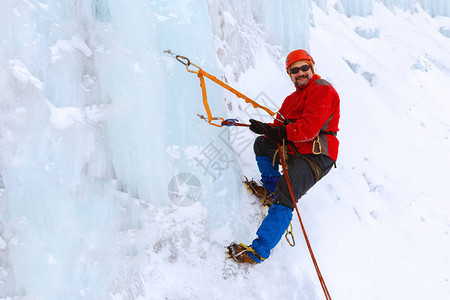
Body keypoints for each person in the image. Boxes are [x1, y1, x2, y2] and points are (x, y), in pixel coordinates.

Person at [228, 49, 340, 264]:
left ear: (312, 68)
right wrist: (265, 129)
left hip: (316, 156)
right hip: (297, 149)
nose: (300, 73)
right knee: (263, 144)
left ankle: (258, 251)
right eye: (294, 70)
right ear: (289, 74)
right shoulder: (292, 99)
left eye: (304, 68)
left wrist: (278, 132)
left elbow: (308, 129)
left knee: (286, 195)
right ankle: (270, 191)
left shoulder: (322, 89)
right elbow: (279, 127)